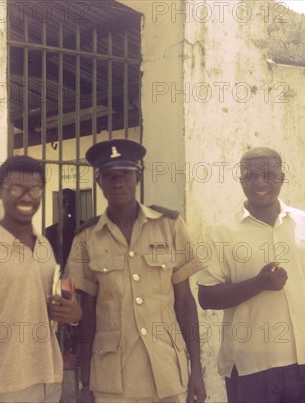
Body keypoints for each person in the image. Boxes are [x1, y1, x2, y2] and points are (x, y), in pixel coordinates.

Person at [197, 147, 305, 403]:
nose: (259, 183)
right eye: (250, 176)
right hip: (252, 369)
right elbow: (207, 297)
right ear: (240, 179)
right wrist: (258, 284)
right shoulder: (223, 232)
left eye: (267, 174)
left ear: (281, 176)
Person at [65, 139, 207, 403]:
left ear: (138, 177)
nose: (118, 182)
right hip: (113, 382)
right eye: (110, 176)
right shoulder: (86, 238)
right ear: (99, 183)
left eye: (125, 175)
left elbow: (185, 301)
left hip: (166, 374)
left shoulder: (170, 226)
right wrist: (85, 385)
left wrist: (196, 371)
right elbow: (87, 315)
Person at [0, 155, 82, 403]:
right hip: (8, 388)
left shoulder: (44, 245)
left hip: (51, 381)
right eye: (16, 188)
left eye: (34, 189)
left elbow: (49, 308)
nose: (27, 197)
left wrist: (73, 313)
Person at [45, 188, 84, 402]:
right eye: (63, 202)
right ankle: (62, 367)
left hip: (83, 289)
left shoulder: (84, 229)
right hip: (57, 288)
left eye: (70, 202)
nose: (67, 206)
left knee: (81, 331)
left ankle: (81, 378)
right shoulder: (49, 232)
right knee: (57, 333)